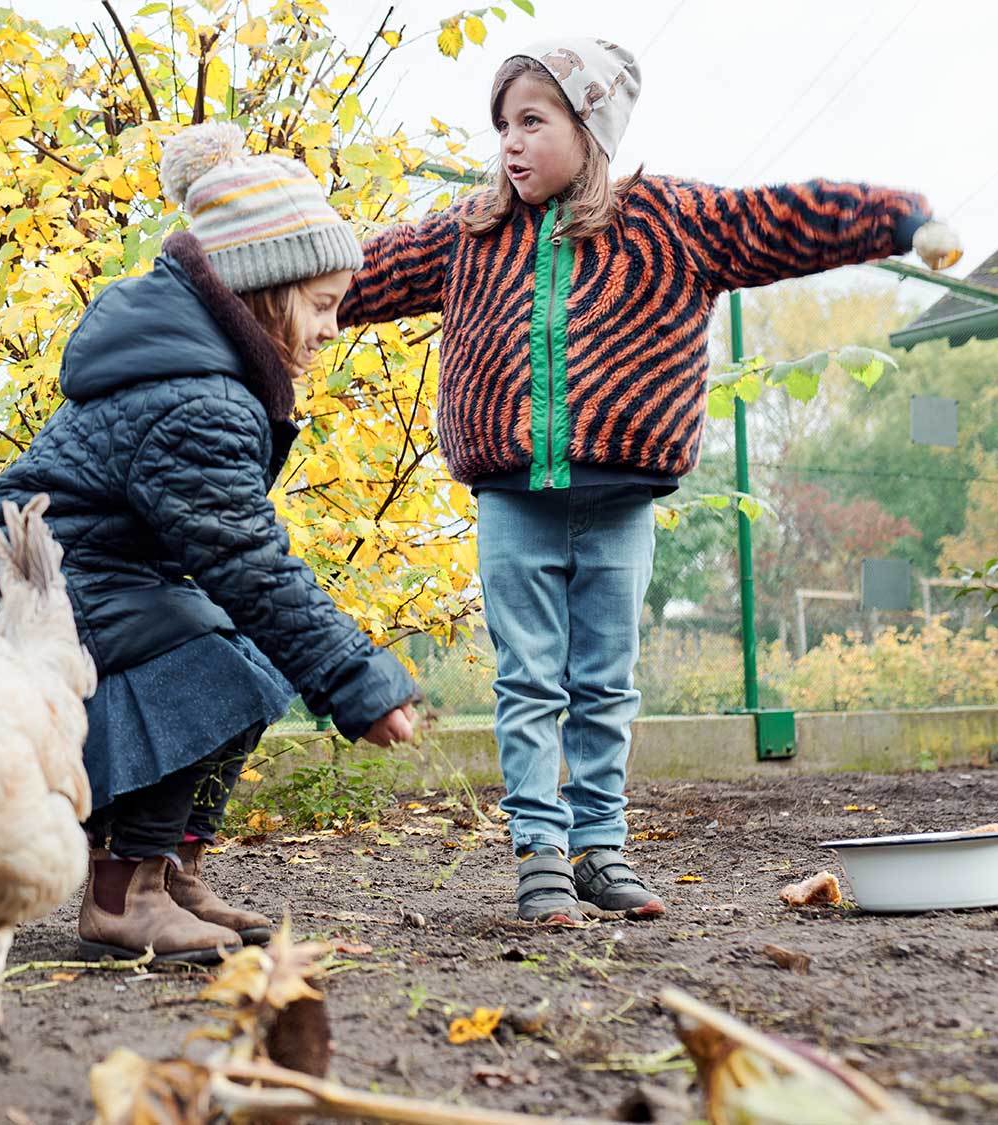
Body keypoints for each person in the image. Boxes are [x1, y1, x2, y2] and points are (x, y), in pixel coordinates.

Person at [338, 37, 945, 924]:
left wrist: (900, 220)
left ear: (590, 129)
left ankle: (601, 850)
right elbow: (356, 270)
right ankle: (540, 854)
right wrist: (245, 271)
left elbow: (781, 219)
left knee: (607, 680)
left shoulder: (669, 217)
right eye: (502, 123)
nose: (510, 141)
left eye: (533, 121)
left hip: (620, 498)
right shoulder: (468, 232)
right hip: (513, 498)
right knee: (530, 680)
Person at [0, 122, 417, 962]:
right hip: (26, 586)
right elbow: (246, 563)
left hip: (74, 573)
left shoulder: (203, 371)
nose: (333, 328)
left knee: (253, 658)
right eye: (320, 304)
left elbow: (230, 559)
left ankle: (171, 869)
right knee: (222, 663)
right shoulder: (194, 396)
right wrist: (354, 676)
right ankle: (126, 895)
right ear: (265, 293)